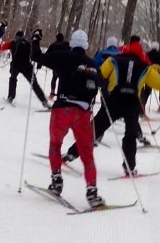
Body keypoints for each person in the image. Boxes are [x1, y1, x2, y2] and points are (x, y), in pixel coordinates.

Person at [39, 29, 105, 207]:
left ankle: (56, 181)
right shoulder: (92, 64)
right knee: (87, 154)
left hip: (62, 110)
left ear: (72, 43)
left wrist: (36, 38)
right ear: (86, 45)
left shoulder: (64, 56)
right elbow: (103, 84)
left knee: (55, 144)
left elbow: (38, 57)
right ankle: (92, 192)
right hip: (83, 114)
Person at [101, 37, 160, 175]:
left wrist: (99, 84)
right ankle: (129, 166)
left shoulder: (114, 58)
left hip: (113, 99)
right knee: (130, 135)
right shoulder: (148, 61)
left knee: (98, 125)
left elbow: (100, 73)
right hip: (132, 101)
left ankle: (73, 153)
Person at [63, 35, 120, 161]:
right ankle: (98, 136)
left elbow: (94, 64)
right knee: (105, 113)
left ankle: (84, 140)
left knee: (101, 114)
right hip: (115, 88)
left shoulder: (102, 53)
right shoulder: (121, 55)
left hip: (101, 83)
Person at [0, 29, 48, 107]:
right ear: (23, 37)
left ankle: (11, 97)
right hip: (26, 66)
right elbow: (35, 55)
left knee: (13, 79)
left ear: (16, 37)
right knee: (34, 84)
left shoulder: (12, 43)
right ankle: (44, 101)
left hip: (15, 65)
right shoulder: (28, 44)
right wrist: (39, 63)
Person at [44, 32, 69, 98]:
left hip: (56, 65)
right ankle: (61, 94)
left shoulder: (53, 45)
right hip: (65, 65)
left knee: (54, 78)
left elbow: (47, 54)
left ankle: (52, 93)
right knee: (62, 80)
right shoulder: (67, 44)